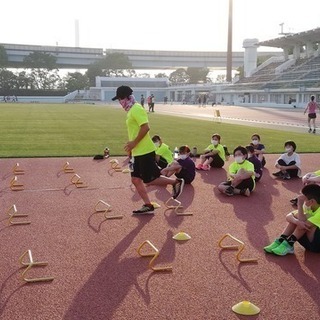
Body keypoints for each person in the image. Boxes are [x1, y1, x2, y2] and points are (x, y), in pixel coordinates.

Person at [112, 85, 184, 215]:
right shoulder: (131, 111)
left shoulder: (136, 109)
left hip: (145, 151)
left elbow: (145, 127)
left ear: (127, 98)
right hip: (137, 152)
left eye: (120, 99)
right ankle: (148, 205)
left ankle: (176, 182)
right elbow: (135, 131)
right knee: (135, 179)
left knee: (150, 180)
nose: (120, 103)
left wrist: (134, 143)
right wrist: (131, 148)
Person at [264, 184, 320, 255]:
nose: (301, 200)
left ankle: (288, 244)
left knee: (305, 222)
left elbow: (303, 225)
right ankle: (281, 240)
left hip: (317, 245)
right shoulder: (309, 206)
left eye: (304, 199)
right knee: (298, 219)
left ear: (311, 201)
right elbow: (289, 216)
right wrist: (296, 221)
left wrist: (299, 204)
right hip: (308, 241)